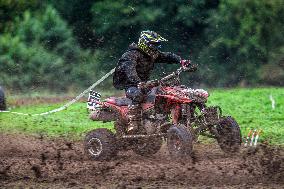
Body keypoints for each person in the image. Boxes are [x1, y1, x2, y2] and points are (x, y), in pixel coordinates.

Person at [113, 30, 190, 133]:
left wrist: (180, 61)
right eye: (154, 45)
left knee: (165, 91)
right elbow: (129, 71)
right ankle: (132, 122)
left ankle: (161, 118)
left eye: (157, 45)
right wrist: (138, 82)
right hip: (132, 86)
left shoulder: (151, 54)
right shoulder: (131, 55)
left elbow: (167, 56)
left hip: (145, 84)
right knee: (138, 94)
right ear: (145, 44)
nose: (156, 48)